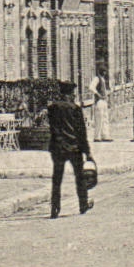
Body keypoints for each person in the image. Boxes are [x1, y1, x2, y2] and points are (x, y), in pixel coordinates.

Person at [47, 80, 92, 217]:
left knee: (57, 179)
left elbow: (53, 129)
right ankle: (83, 205)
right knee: (80, 177)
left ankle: (55, 208)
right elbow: (81, 132)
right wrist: (87, 151)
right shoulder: (75, 109)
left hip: (58, 148)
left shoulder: (53, 108)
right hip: (74, 148)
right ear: (71, 93)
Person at [89, 72, 113, 142]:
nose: (105, 73)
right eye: (104, 71)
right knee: (99, 119)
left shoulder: (103, 79)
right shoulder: (96, 78)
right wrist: (98, 94)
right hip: (99, 101)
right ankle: (97, 136)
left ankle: (105, 135)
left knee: (105, 119)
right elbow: (91, 87)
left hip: (104, 100)